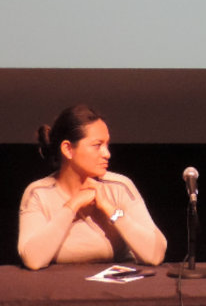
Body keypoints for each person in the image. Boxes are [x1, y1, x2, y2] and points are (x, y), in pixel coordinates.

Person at [18, 104, 167, 270]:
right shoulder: (38, 193)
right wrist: (71, 207)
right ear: (68, 149)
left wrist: (111, 210)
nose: (107, 153)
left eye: (107, 145)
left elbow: (155, 254)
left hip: (119, 291)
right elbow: (33, 259)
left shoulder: (119, 186)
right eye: (97, 145)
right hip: (61, 289)